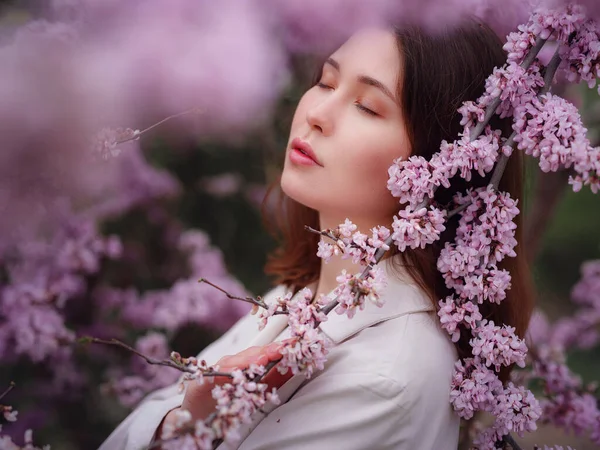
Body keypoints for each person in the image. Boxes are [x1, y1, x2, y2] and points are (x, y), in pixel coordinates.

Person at [99, 18, 534, 450]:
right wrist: (189, 417)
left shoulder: (383, 380)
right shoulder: (302, 296)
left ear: (443, 164)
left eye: (367, 106)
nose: (317, 114)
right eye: (326, 83)